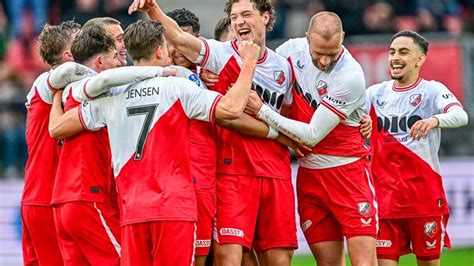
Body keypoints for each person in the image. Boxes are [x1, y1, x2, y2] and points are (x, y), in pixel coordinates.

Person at [48, 20, 261, 266]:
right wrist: (249, 63)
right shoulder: (178, 86)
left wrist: (56, 94)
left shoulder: (113, 96)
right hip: (173, 208)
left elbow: (57, 128)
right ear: (159, 51)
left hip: (132, 211)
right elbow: (232, 109)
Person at [128, 1, 299, 265]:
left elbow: (287, 117)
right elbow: (179, 37)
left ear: (265, 17)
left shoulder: (283, 67)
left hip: (275, 171)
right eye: (234, 17)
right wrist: (154, 11)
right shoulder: (220, 54)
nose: (239, 21)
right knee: (230, 258)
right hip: (233, 171)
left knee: (278, 260)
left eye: (246, 15)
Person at [246, 11, 378, 265]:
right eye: (319, 52)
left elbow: (312, 136)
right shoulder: (289, 52)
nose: (326, 60)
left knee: (364, 263)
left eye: (333, 52)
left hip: (348, 174)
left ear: (343, 39)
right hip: (310, 177)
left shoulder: (350, 74)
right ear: (306, 39)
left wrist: (261, 110)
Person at [365, 30, 468, 266]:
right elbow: (348, 121)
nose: (395, 58)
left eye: (403, 52)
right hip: (385, 202)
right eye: (392, 52)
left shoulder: (431, 90)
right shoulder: (374, 94)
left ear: (420, 59)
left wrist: (435, 120)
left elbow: (460, 115)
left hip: (424, 200)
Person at [47, 25, 126, 265]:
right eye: (115, 57)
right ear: (100, 61)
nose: (120, 63)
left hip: (63, 200)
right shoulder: (99, 90)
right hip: (88, 195)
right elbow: (56, 129)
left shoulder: (66, 90)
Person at [21, 20, 80, 266]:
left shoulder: (67, 89)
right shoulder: (44, 84)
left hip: (41, 196)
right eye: (82, 41)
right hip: (45, 198)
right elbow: (65, 73)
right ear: (68, 55)